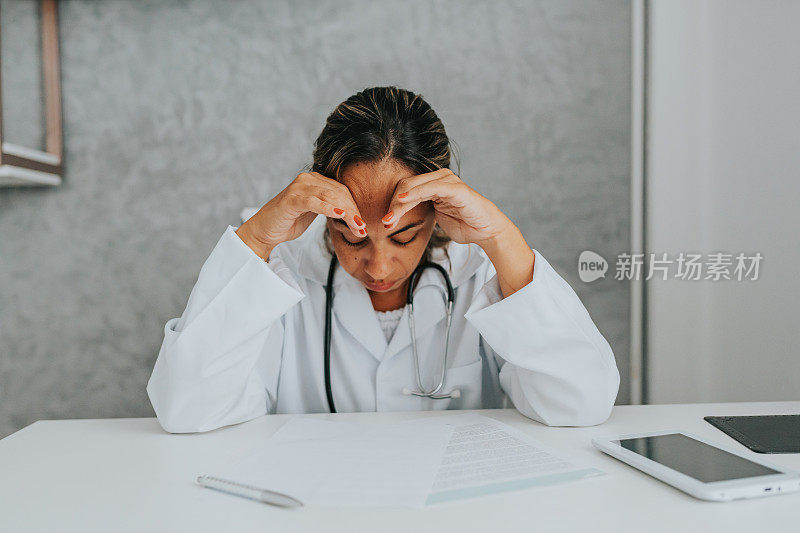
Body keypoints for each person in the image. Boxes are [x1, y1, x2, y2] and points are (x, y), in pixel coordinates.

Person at [146, 86, 620, 433]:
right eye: (351, 238)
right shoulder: (281, 270)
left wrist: (501, 238)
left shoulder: (484, 272)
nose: (378, 267)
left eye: (404, 235)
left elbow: (580, 403)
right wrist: (255, 239)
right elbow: (187, 411)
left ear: (437, 213)